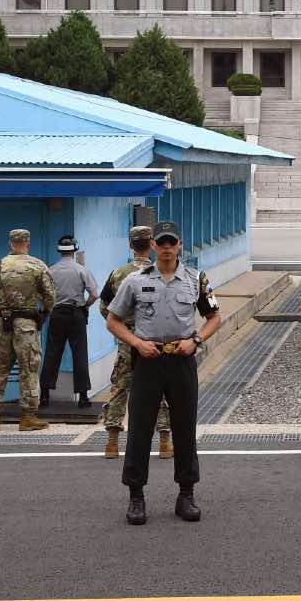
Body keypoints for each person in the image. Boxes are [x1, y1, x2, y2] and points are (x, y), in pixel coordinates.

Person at [105, 221, 220, 526]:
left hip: (181, 361)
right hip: (148, 361)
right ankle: (136, 497)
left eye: (172, 242)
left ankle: (186, 494)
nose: (167, 247)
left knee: (184, 429)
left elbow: (213, 317)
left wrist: (195, 340)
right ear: (153, 246)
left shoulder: (196, 279)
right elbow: (113, 320)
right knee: (140, 431)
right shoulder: (134, 281)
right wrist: (136, 343)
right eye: (161, 242)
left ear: (179, 244)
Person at [99, 226, 172, 459]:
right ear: (152, 244)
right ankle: (164, 442)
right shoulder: (160, 272)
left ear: (131, 245)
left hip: (127, 340)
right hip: (154, 339)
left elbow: (105, 307)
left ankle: (112, 443)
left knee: (120, 387)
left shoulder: (118, 274)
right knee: (160, 388)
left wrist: (122, 327)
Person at [0, 229, 55, 433]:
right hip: (27, 325)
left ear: (10, 244)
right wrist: (42, 316)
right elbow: (50, 296)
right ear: (28, 243)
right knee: (29, 369)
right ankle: (28, 417)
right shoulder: (37, 266)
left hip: (2, 324)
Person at [40, 235, 97, 409]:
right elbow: (94, 295)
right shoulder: (81, 270)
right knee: (80, 354)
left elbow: (42, 295)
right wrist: (85, 305)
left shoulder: (50, 270)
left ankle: (44, 396)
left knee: (52, 353)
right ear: (74, 250)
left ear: (59, 251)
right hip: (76, 314)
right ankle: (83, 397)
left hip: (56, 314)